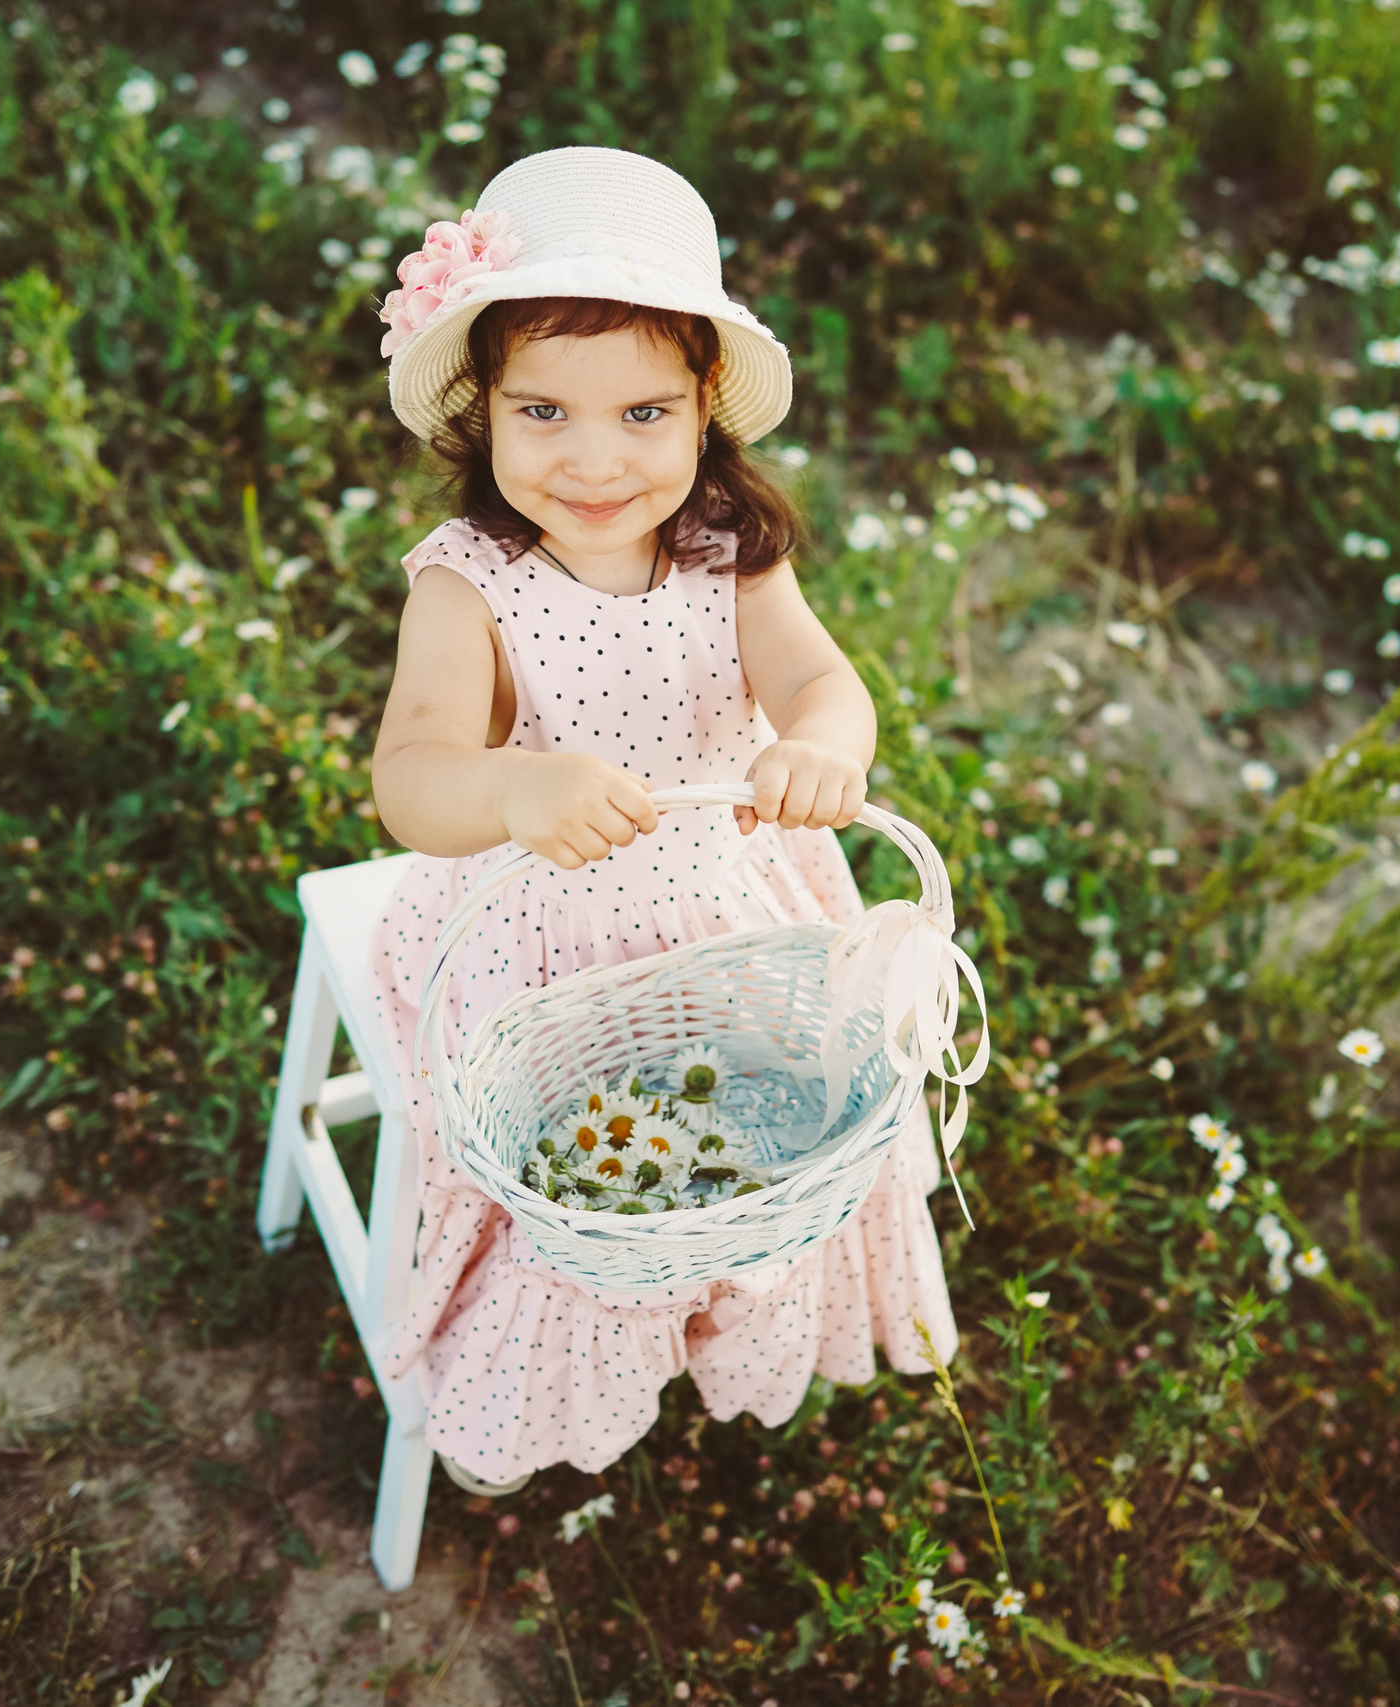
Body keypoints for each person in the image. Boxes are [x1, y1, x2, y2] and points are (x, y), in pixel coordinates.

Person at [364, 146, 958, 1495]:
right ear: (482, 416)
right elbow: (411, 778)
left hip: (725, 899)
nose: (593, 460)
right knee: (561, 1173)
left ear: (706, 415)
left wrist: (822, 744)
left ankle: (723, 1282)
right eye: (545, 413)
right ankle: (530, 1368)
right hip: (538, 933)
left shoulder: (726, 552)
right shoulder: (470, 588)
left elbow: (820, 679)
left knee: (779, 1112)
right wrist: (516, 785)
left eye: (642, 414)